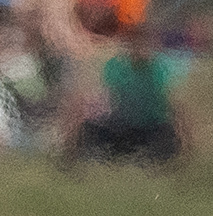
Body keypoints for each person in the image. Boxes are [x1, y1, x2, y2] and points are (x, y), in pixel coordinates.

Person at [67, 12, 187, 157]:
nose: (140, 47)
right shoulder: (115, 66)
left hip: (152, 127)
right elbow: (106, 99)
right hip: (123, 126)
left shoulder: (160, 68)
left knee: (167, 138)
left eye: (145, 42)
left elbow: (175, 106)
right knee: (90, 129)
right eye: (136, 42)